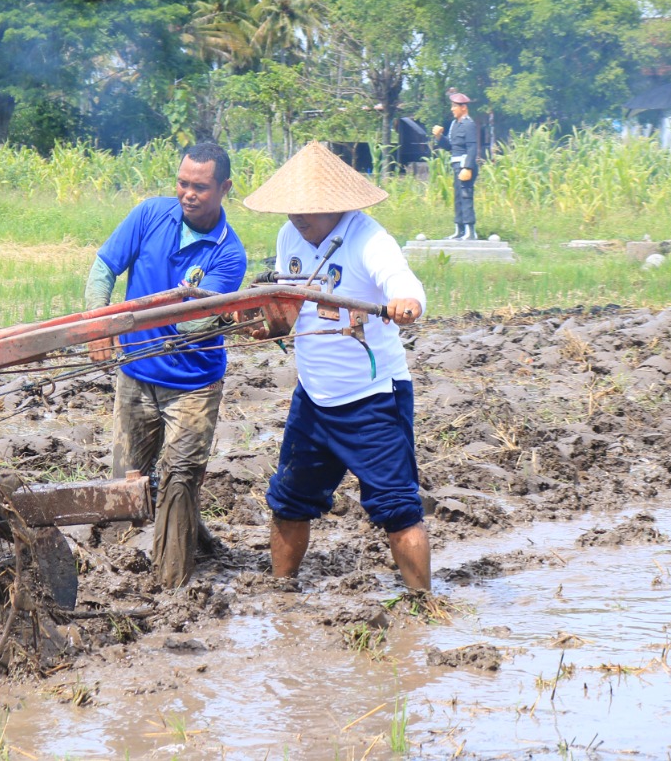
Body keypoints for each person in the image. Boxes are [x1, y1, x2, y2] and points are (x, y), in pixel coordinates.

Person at [241, 142, 430, 592]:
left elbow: (402, 282)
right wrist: (268, 325)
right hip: (313, 397)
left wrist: (406, 302)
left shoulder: (370, 240)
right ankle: (282, 597)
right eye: (290, 209)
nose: (296, 217)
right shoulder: (289, 237)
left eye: (305, 209)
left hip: (371, 399)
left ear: (336, 204)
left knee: (398, 510)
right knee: (289, 501)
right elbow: (290, 305)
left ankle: (425, 606)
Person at [84, 142, 248, 588]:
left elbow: (192, 325)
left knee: (179, 480)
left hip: (192, 385)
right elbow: (103, 267)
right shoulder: (149, 215)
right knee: (126, 482)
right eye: (182, 183)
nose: (188, 194)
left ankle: (173, 588)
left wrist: (224, 315)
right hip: (136, 374)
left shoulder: (229, 253)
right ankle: (113, 577)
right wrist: (98, 321)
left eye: (200, 187)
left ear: (224, 189)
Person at [431, 91, 480, 240]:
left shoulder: (468, 124)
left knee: (466, 196)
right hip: (456, 165)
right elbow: (450, 147)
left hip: (465, 165)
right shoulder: (455, 124)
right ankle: (459, 229)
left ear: (463, 107)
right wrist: (439, 136)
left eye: (455, 106)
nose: (452, 109)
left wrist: (468, 168)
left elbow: (472, 147)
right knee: (458, 197)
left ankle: (470, 231)